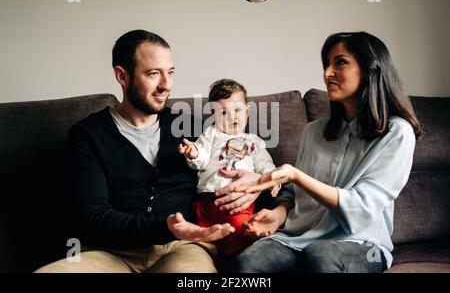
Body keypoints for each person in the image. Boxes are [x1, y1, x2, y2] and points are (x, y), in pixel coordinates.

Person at [35, 30, 261, 273]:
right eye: (154, 74)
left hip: (182, 249)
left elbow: (256, 161)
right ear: (122, 76)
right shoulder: (88, 135)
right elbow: (93, 214)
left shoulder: (193, 127)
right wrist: (166, 227)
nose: (166, 85)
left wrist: (257, 181)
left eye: (170, 73)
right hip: (110, 253)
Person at [227, 31, 422, 273]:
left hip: (361, 244)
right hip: (294, 240)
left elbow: (362, 208)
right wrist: (278, 214)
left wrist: (296, 175)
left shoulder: (397, 132)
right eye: (326, 64)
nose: (327, 73)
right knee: (246, 263)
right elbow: (293, 195)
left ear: (370, 68)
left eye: (340, 62)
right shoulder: (313, 131)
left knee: (320, 256)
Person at [167, 79, 279, 256]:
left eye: (237, 110)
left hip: (239, 202)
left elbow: (264, 164)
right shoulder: (212, 133)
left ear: (247, 112)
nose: (232, 117)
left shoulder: (254, 141)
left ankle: (235, 261)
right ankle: (211, 257)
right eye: (223, 113)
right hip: (206, 201)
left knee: (239, 231)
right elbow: (202, 156)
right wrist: (194, 152)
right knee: (202, 238)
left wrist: (271, 178)